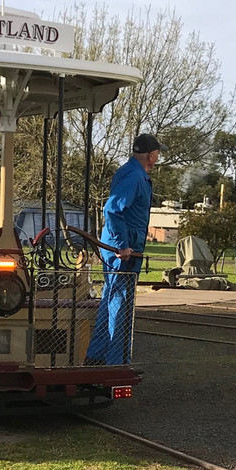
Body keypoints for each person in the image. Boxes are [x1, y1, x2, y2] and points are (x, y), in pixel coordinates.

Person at [86, 133, 162, 365]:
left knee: (111, 299)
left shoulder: (128, 172)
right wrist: (123, 245)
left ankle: (97, 356)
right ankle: (115, 362)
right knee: (120, 303)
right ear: (151, 155)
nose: (158, 157)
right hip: (123, 253)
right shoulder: (136, 177)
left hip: (119, 248)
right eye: (158, 153)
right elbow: (112, 209)